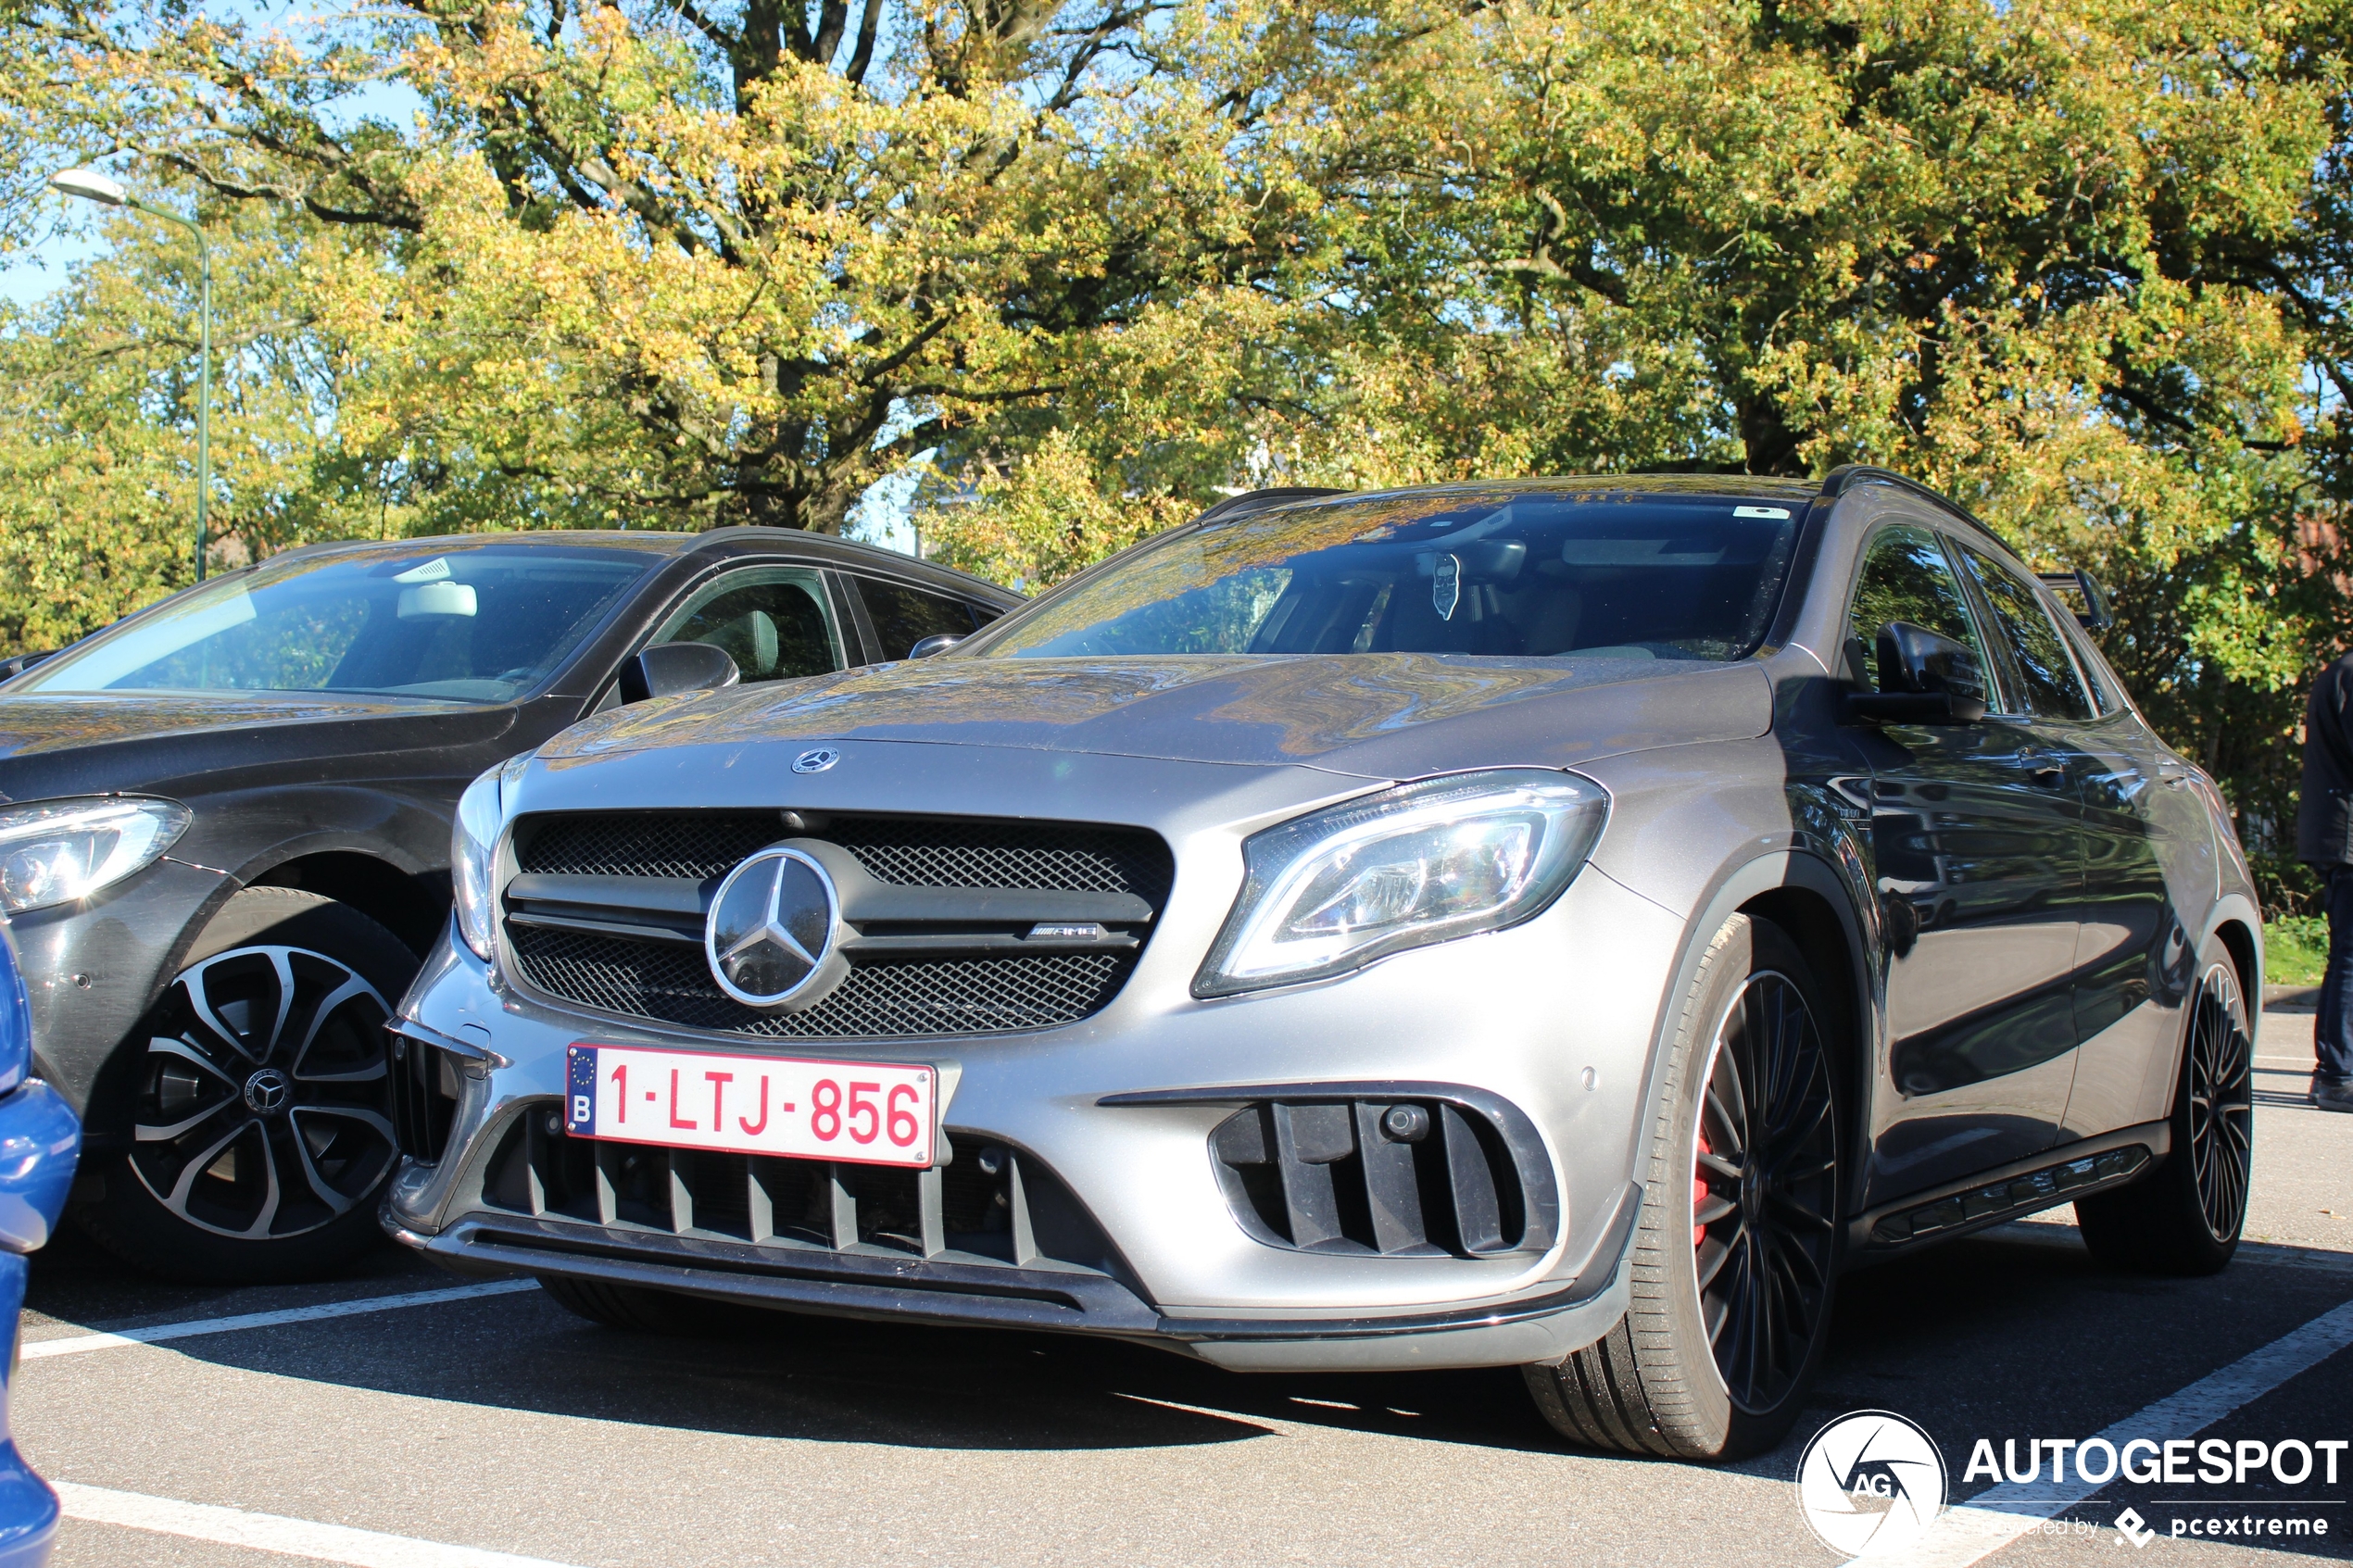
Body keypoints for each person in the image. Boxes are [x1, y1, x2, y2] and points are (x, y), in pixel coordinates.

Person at [2296, 652, 2353, 1110]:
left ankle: (2338, 1071)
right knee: (2351, 958)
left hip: (2339, 835)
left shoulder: (2341, 670)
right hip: (2348, 838)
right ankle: (2337, 1075)